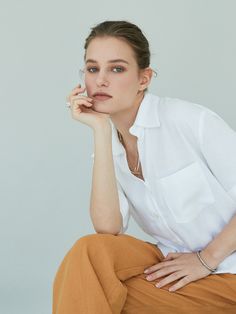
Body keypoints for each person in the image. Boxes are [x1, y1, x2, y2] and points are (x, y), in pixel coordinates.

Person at [53, 20, 236, 314]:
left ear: (144, 78)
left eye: (117, 68)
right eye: (92, 68)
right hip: (173, 270)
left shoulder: (189, 121)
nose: (100, 80)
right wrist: (100, 132)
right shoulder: (110, 145)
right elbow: (107, 228)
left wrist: (206, 259)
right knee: (88, 255)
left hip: (227, 273)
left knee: (98, 293)